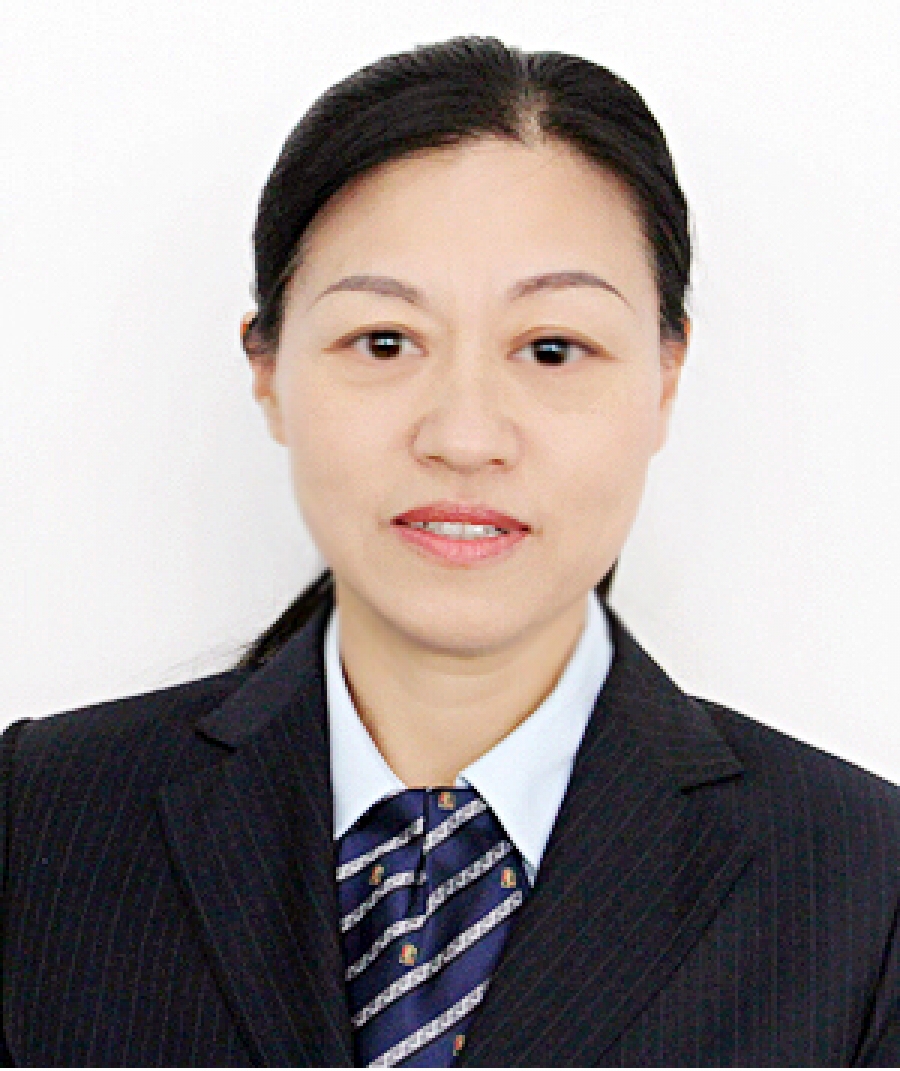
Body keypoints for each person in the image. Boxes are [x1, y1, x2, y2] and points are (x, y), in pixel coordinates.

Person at [1, 34, 897, 1068]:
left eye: (553, 348)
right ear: (268, 367)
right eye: (384, 342)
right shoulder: (40, 824)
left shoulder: (864, 887)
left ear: (665, 376)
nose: (465, 436)